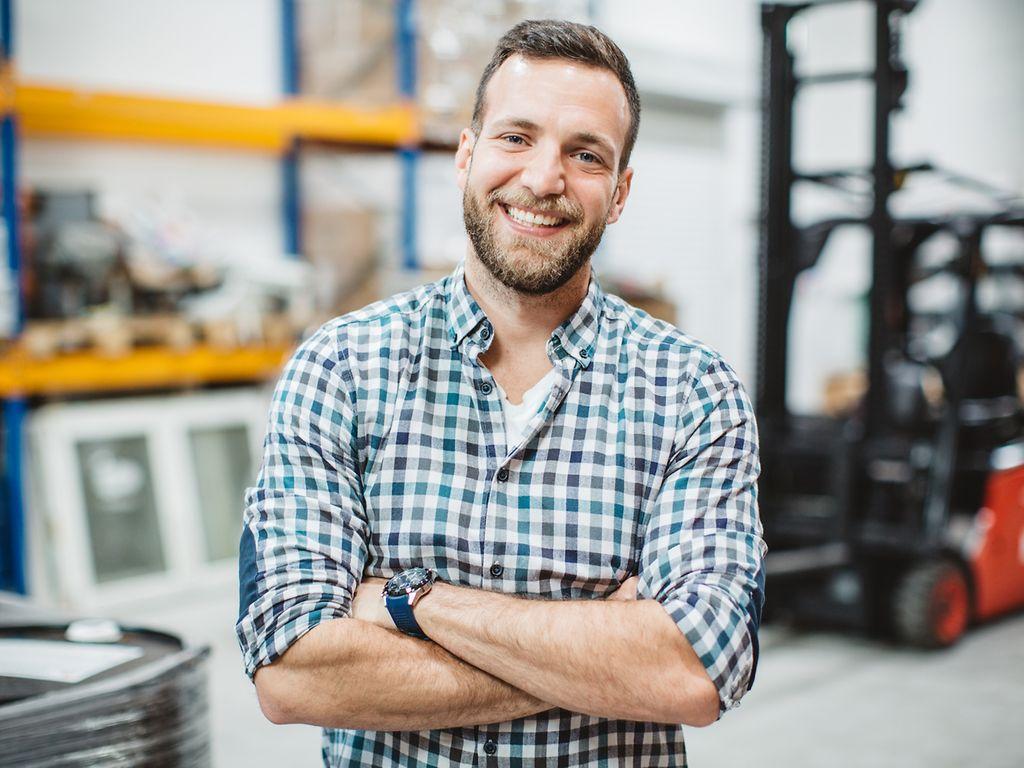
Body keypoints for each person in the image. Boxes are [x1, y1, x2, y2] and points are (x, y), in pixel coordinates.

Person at [237, 19, 765, 767]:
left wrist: (407, 601)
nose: (544, 179)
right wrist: (602, 654)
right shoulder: (340, 369)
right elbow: (291, 672)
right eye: (516, 138)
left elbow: (693, 671)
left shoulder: (692, 392)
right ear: (466, 154)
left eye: (586, 155)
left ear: (619, 193)